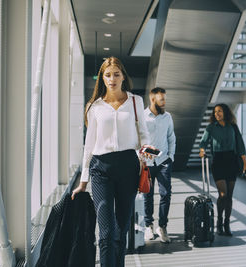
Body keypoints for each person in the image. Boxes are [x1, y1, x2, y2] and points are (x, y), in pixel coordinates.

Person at [71, 56, 154, 267]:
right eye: (108, 75)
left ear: (123, 76)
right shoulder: (94, 106)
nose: (112, 78)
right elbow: (89, 146)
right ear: (102, 78)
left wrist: (146, 159)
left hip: (128, 166)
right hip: (101, 170)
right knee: (106, 232)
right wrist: (83, 182)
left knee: (121, 230)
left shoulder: (135, 101)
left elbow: (145, 136)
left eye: (116, 74)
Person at [199, 103, 246, 236]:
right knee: (223, 194)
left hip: (232, 160)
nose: (217, 114)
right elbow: (203, 141)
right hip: (218, 161)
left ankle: (226, 224)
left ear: (225, 112)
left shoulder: (233, 127)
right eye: (215, 112)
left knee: (230, 196)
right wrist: (202, 150)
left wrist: (245, 164)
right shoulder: (211, 127)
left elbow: (241, 145)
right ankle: (219, 222)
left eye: (219, 111)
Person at [143, 87, 176, 243]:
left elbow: (171, 137)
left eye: (165, 99)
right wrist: (142, 155)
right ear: (152, 99)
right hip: (147, 163)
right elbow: (139, 140)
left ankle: (162, 227)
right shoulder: (142, 117)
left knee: (166, 194)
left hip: (163, 163)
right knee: (147, 195)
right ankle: (148, 225)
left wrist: (171, 157)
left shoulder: (167, 117)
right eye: (161, 99)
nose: (164, 102)